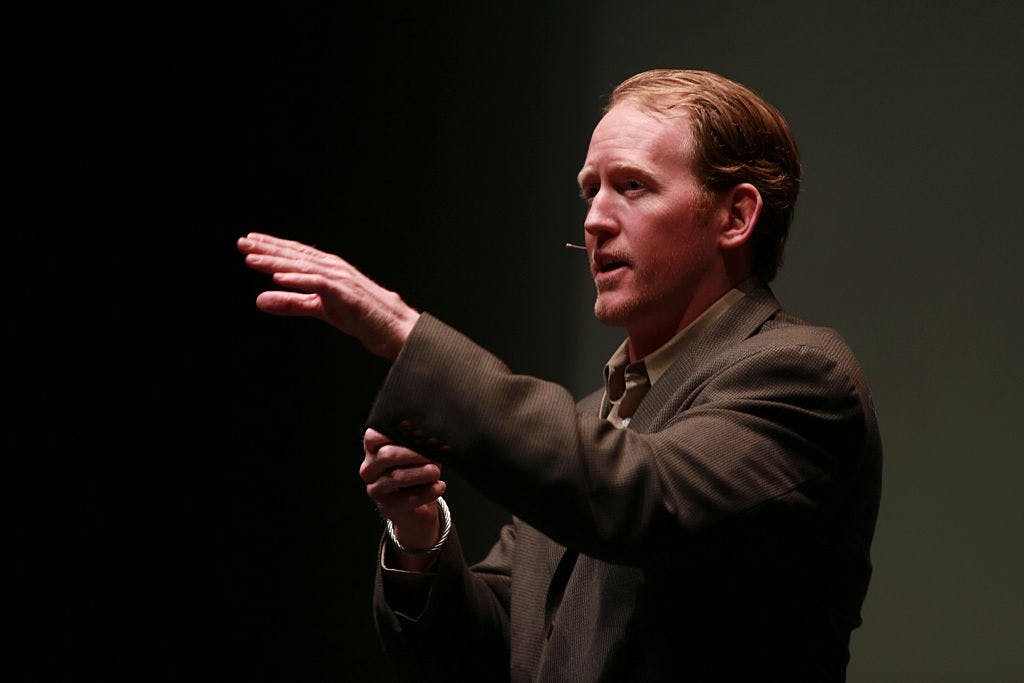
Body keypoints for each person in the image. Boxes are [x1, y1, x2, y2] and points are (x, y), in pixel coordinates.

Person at [237, 69, 882, 681]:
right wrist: (419, 534)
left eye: (632, 186)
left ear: (735, 217)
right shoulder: (589, 422)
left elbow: (638, 497)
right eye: (590, 190)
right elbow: (493, 651)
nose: (594, 218)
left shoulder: (798, 376)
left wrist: (407, 333)